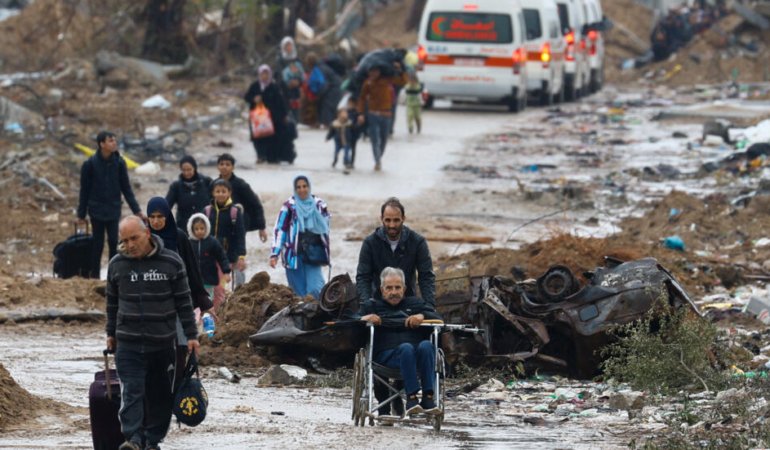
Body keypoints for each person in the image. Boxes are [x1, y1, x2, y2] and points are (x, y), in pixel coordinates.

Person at [106, 216, 199, 450]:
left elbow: (184, 302)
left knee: (160, 396)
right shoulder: (117, 265)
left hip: (162, 342)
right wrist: (110, 333)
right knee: (132, 392)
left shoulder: (171, 262)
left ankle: (153, 439)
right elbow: (112, 303)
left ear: (147, 233)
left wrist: (191, 335)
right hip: (128, 342)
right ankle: (133, 440)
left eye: (134, 238)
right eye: (124, 241)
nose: (130, 245)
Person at [360, 267, 442, 416]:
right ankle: (411, 399)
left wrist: (422, 316)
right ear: (382, 289)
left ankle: (428, 398)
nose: (394, 292)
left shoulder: (416, 304)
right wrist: (364, 318)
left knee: (427, 345)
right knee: (406, 348)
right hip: (386, 358)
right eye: (389, 288)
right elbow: (352, 320)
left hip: (416, 357)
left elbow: (438, 319)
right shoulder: (371, 306)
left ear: (404, 288)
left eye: (397, 287)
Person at [77, 130, 143, 279]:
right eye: (111, 141)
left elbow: (126, 188)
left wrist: (137, 210)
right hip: (96, 210)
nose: (114, 143)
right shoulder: (90, 165)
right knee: (97, 244)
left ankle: (113, 276)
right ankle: (94, 276)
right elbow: (84, 190)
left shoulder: (119, 163)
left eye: (114, 140)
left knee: (114, 242)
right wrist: (81, 214)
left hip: (113, 209)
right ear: (102, 144)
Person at [356, 197, 435, 307]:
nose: (392, 225)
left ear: (403, 218)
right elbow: (363, 277)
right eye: (388, 220)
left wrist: (429, 307)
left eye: (396, 220)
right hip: (378, 302)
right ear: (381, 219)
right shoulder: (370, 243)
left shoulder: (418, 242)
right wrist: (366, 306)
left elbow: (426, 277)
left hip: (408, 302)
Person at [269, 175, 330, 299]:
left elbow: (326, 229)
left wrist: (327, 253)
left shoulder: (319, 205)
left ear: (309, 187)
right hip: (293, 257)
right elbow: (280, 229)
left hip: (314, 254)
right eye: (298, 187)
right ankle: (303, 318)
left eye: (305, 186)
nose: (302, 190)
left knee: (316, 289)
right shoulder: (289, 207)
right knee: (299, 294)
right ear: (294, 189)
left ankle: (317, 317)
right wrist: (275, 253)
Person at [356, 62, 407, 171]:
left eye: (375, 71)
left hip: (386, 115)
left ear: (380, 72)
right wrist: (360, 113)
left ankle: (378, 158)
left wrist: (400, 70)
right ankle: (377, 161)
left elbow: (403, 81)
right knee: (375, 140)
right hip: (372, 115)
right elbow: (362, 98)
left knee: (383, 140)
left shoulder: (387, 81)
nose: (373, 73)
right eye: (371, 71)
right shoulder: (367, 83)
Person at [244, 64, 295, 164]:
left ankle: (272, 157)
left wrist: (284, 115)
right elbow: (247, 97)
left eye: (266, 74)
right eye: (263, 74)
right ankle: (260, 156)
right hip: (257, 119)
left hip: (272, 118)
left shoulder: (274, 87)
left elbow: (281, 102)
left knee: (272, 138)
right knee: (258, 138)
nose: (265, 76)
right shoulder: (255, 86)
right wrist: (254, 99)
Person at [206, 179, 247, 300]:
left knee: (223, 289)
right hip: (209, 257)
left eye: (223, 191)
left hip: (228, 257)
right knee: (210, 289)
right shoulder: (207, 211)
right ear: (213, 193)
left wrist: (241, 257)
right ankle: (212, 315)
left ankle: (221, 315)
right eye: (217, 191)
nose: (220, 194)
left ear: (229, 193)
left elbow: (240, 235)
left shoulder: (234, 212)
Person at [215, 153, 268, 243]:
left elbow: (256, 204)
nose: (224, 167)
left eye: (227, 164)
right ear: (218, 166)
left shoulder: (241, 184)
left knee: (236, 251)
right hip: (219, 223)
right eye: (221, 164)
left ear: (233, 167)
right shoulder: (214, 185)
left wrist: (261, 227)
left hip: (239, 223)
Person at [187, 213, 231, 302]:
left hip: (209, 280)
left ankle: (206, 315)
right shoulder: (188, 243)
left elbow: (222, 257)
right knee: (194, 301)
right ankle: (196, 316)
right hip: (192, 281)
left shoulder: (212, 242)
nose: (199, 231)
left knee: (207, 301)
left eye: (202, 228)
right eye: (196, 229)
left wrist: (226, 272)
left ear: (206, 228)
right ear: (192, 229)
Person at [165, 155, 212, 237]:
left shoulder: (206, 182)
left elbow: (217, 201)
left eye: (189, 169)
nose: (186, 173)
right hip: (184, 227)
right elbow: (166, 206)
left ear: (195, 168)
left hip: (204, 227)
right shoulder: (176, 186)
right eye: (184, 170)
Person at [277, 36, 304, 124]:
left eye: (290, 45)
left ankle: (295, 123)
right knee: (285, 107)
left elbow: (301, 73)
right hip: (284, 88)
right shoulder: (280, 59)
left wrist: (297, 81)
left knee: (295, 106)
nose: (288, 48)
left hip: (295, 89)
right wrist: (286, 83)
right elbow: (278, 73)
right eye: (286, 46)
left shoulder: (296, 59)